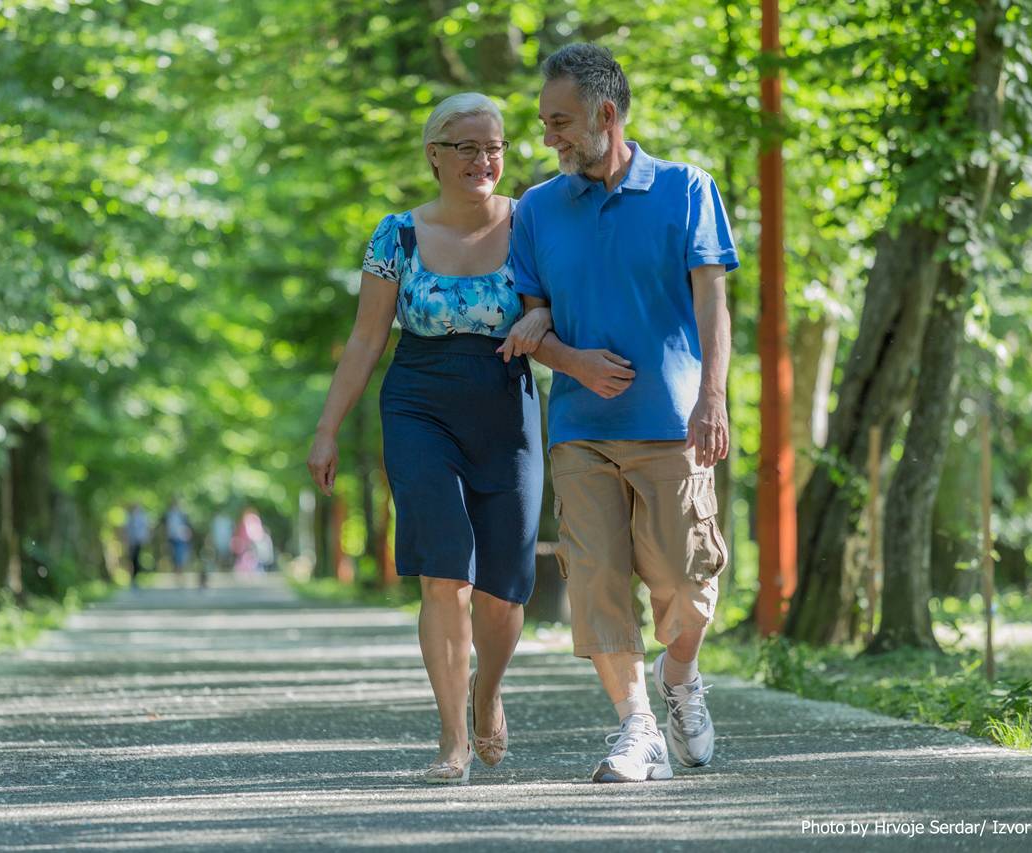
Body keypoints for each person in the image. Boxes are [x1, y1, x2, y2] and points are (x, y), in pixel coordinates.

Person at [307, 92, 551, 785]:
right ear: (435, 156)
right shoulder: (397, 236)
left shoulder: (529, 224)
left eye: (495, 145)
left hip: (506, 403)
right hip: (419, 401)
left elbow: (553, 312)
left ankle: (487, 691)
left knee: (505, 589)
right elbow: (364, 339)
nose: (484, 159)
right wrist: (327, 428)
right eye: (468, 146)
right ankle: (452, 735)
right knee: (444, 572)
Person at [510, 44, 737, 783]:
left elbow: (712, 299)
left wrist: (713, 395)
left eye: (561, 122)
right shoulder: (539, 207)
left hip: (672, 422)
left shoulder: (686, 188)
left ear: (606, 115)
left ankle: (680, 678)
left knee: (686, 579)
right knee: (597, 579)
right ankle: (636, 727)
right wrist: (574, 363)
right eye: (546, 122)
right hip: (579, 430)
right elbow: (530, 321)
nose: (550, 137)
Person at [163, 498, 194, 577]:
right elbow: (167, 527)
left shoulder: (182, 515)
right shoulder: (169, 515)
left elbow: (187, 526)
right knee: (174, 555)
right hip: (172, 538)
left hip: (181, 538)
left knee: (180, 554)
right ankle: (177, 570)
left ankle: (180, 571)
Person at [124, 502, 150, 588]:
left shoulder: (142, 517)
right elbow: (126, 530)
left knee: (136, 558)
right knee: (132, 558)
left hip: (138, 541)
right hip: (131, 541)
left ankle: (135, 577)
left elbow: (144, 529)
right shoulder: (129, 517)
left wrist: (144, 539)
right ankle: (132, 578)